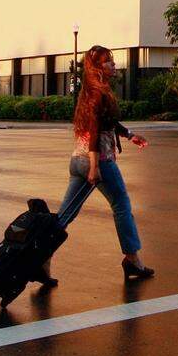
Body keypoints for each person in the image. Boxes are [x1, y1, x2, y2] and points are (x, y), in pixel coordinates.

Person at [46, 45, 154, 284]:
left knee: (64, 216)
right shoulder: (97, 93)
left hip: (77, 160)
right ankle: (133, 260)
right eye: (108, 62)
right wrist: (94, 167)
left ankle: (41, 259)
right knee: (122, 205)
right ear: (98, 67)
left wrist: (129, 135)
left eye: (112, 61)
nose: (113, 65)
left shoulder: (91, 91)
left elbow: (108, 122)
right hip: (98, 161)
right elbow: (94, 131)